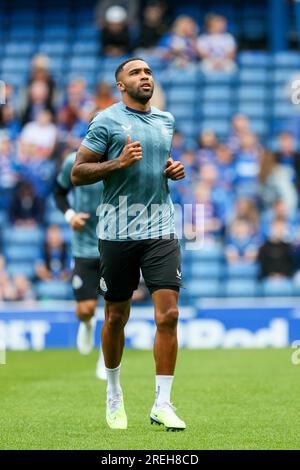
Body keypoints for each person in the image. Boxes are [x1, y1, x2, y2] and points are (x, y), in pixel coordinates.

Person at [71, 58, 186, 431]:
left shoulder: (165, 121)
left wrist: (172, 169)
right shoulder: (106, 120)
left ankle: (163, 403)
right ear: (121, 85)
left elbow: (157, 164)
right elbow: (78, 172)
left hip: (161, 228)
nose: (145, 77)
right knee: (115, 317)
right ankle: (114, 394)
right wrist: (117, 163)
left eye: (149, 72)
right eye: (136, 73)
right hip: (118, 231)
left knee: (168, 315)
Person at [54, 152, 106, 380]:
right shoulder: (73, 161)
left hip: (115, 245)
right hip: (84, 247)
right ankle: (87, 324)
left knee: (116, 311)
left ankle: (107, 358)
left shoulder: (123, 160)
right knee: (85, 310)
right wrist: (70, 215)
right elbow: (59, 191)